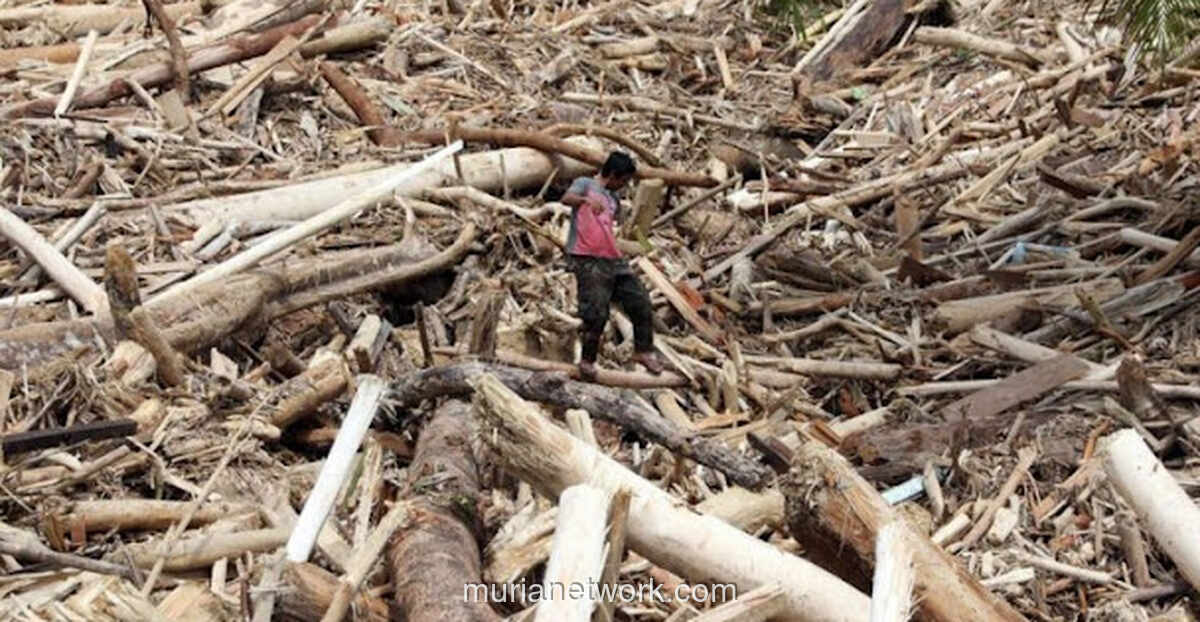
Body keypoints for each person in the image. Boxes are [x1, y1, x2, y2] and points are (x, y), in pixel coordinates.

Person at [559, 151, 664, 381]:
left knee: (641, 301)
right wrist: (586, 200)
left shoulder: (613, 200)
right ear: (614, 174)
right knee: (596, 312)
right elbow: (566, 199)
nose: (624, 185)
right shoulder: (585, 184)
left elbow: (610, 230)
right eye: (624, 180)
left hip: (613, 259)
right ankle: (587, 360)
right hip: (586, 257)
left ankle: (643, 350)